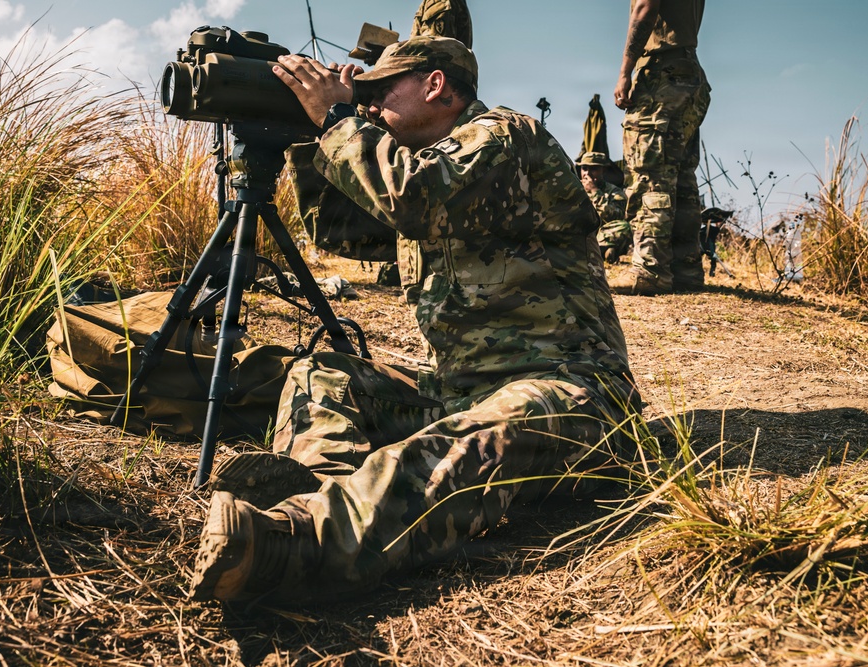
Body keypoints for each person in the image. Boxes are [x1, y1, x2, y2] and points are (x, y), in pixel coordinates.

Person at [188, 36, 639, 604]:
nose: (370, 107)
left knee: (475, 441)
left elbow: (410, 196)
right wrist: (309, 138)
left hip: (572, 386)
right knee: (321, 376)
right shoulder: (416, 163)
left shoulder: (503, 137)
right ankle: (321, 490)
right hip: (462, 389)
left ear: (436, 84)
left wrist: (337, 117)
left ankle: (297, 545)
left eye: (380, 92)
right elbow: (343, 230)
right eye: (365, 98)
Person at [614, 0, 711, 295]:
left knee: (650, 171)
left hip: (661, 71)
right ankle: (686, 270)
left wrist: (625, 71)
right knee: (681, 177)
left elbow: (645, 7)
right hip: (689, 71)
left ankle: (650, 269)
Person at [577, 151, 631, 263]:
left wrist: (594, 191)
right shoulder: (573, 188)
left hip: (601, 234)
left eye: (594, 169)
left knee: (624, 227)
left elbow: (615, 217)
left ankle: (598, 250)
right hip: (579, 232)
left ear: (604, 170)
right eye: (584, 168)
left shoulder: (614, 191)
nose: (587, 173)